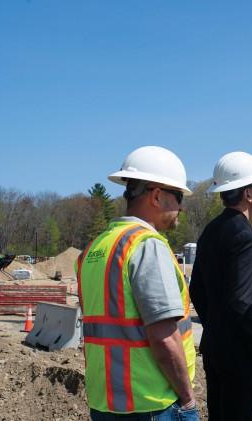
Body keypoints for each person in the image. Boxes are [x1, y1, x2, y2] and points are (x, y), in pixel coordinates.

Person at [77, 146, 198, 420]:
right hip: (153, 404)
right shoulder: (146, 246)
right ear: (156, 195)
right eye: (178, 197)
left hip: (105, 403)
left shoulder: (95, 249)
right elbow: (164, 336)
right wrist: (188, 400)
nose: (181, 207)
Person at [189, 151, 252, 421]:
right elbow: (240, 301)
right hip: (240, 353)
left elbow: (196, 290)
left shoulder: (212, 230)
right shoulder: (243, 234)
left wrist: (214, 325)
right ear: (248, 193)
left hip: (216, 346)